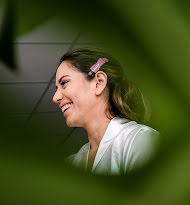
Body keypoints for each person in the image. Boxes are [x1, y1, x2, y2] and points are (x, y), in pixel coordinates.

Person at [53, 47, 159, 175]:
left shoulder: (140, 140)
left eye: (64, 83)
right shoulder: (72, 163)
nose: (55, 98)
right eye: (56, 88)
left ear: (99, 83)